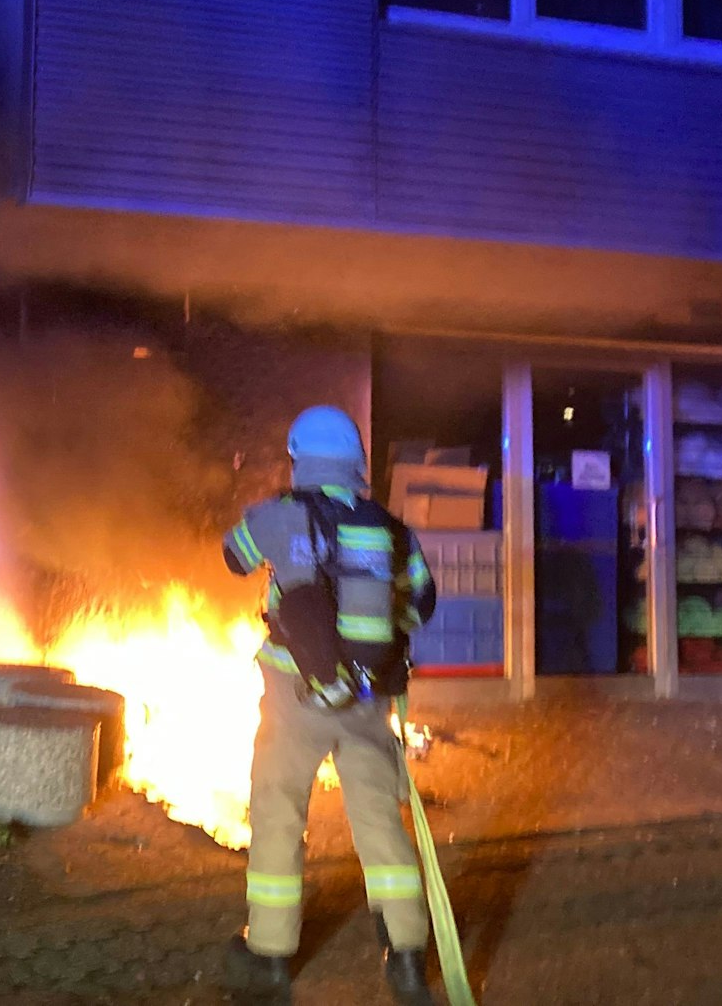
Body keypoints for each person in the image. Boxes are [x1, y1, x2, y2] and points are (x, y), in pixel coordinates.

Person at [220, 405, 439, 1005]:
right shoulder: (390, 529)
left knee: (278, 814)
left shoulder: (276, 516)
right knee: (379, 824)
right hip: (368, 702)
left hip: (295, 693)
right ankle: (409, 956)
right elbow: (420, 603)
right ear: (357, 464)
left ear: (299, 459)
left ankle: (268, 957)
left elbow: (234, 556)